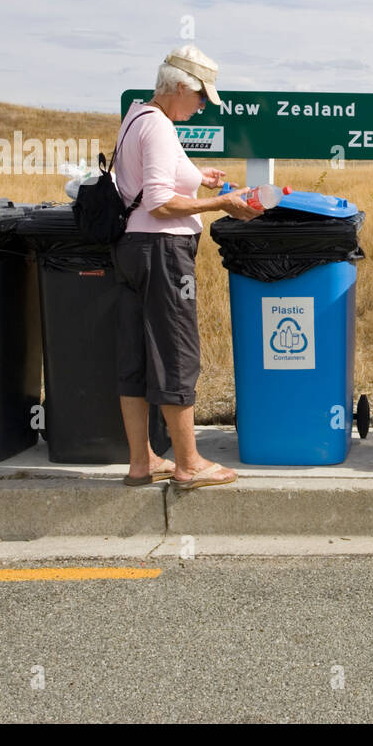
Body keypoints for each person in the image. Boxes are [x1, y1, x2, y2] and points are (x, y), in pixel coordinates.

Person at [112, 45, 258, 489]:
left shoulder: (137, 117)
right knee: (177, 351)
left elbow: (148, 182)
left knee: (135, 355)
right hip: (162, 251)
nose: (201, 106)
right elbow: (158, 202)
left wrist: (199, 176)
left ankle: (142, 462)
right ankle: (190, 463)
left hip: (131, 249)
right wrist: (222, 203)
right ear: (179, 87)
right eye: (199, 97)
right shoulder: (158, 128)